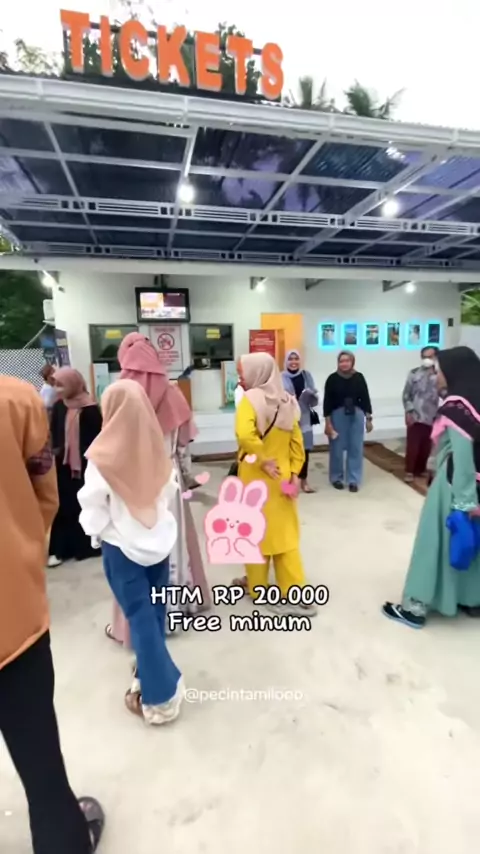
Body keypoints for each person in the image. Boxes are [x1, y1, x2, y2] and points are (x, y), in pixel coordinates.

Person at [0, 376, 105, 854]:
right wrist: (25, 551)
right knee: (39, 759)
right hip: (10, 618)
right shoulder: (15, 400)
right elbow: (43, 493)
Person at [79, 380, 183, 724]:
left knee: (139, 618)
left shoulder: (102, 456)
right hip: (160, 544)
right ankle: (147, 671)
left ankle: (160, 698)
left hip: (122, 549)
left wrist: (95, 534)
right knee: (154, 613)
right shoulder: (155, 449)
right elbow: (168, 491)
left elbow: (93, 507)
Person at [105, 332, 209, 644]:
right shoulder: (173, 393)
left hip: (131, 482)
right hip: (169, 480)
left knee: (133, 550)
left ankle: (139, 622)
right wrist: (185, 475)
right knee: (172, 544)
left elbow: (109, 448)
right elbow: (184, 447)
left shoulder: (120, 392)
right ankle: (176, 611)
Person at [383, 346, 480, 628]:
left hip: (453, 488)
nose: (436, 376)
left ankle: (415, 606)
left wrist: (464, 502)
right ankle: (469, 598)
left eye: (438, 370)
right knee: (469, 543)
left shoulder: (457, 407)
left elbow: (462, 457)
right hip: (475, 485)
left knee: (434, 542)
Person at [235, 352, 316, 615]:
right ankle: (295, 590)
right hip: (283, 479)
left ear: (257, 372)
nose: (240, 377)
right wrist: (294, 473)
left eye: (243, 372)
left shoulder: (250, 400)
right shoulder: (287, 400)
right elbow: (297, 442)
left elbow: (244, 434)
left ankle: (258, 588)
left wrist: (262, 459)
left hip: (255, 477)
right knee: (285, 534)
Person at [48, 368, 102, 567]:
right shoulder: (59, 407)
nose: (58, 389)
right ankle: (60, 550)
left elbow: (98, 438)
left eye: (61, 385)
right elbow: (53, 433)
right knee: (63, 507)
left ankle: (85, 547)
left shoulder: (90, 408)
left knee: (85, 504)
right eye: (55, 385)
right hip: (63, 466)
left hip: (86, 466)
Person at [323, 351, 373, 492]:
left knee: (355, 447)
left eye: (347, 361)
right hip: (337, 415)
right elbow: (327, 402)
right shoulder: (332, 379)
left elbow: (365, 398)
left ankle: (353, 480)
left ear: (352, 362)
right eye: (341, 361)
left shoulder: (359, 378)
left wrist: (368, 419)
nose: (344, 364)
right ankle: (336, 478)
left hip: (356, 415)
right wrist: (328, 423)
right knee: (337, 448)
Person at [281, 349, 319, 493]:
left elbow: (314, 401)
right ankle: (288, 482)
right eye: (290, 359)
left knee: (304, 451)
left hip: (304, 418)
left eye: (296, 359)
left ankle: (304, 481)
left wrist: (310, 395)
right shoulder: (280, 378)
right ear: (286, 361)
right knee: (286, 451)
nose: (293, 362)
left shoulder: (306, 375)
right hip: (286, 419)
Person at [402, 346, 439, 483]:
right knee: (413, 444)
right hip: (416, 414)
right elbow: (406, 395)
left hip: (433, 415)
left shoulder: (440, 375)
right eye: (424, 357)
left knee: (426, 445)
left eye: (430, 356)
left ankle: (421, 469)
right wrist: (409, 411)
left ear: (436, 357)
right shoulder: (414, 373)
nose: (427, 359)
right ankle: (410, 471)